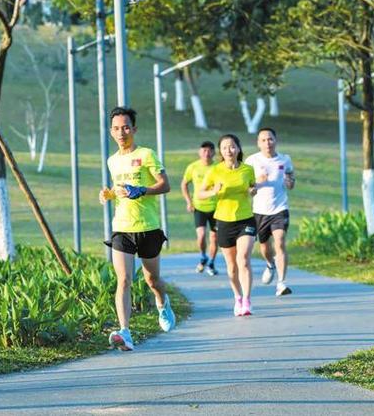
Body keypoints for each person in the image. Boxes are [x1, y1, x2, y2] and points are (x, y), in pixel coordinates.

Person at [99, 107, 176, 351]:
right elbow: (118, 187)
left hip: (148, 226)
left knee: (152, 279)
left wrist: (142, 190)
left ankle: (163, 303)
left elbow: (165, 185)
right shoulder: (112, 160)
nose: (121, 132)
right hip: (121, 227)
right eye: (116, 128)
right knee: (123, 279)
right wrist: (109, 194)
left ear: (134, 129)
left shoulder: (147, 154)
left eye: (125, 127)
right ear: (111, 132)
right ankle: (125, 331)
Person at [199, 134, 257, 316]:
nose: (228, 150)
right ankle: (238, 297)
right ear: (221, 152)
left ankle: (247, 301)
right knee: (232, 267)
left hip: (245, 219)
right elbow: (200, 194)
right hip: (223, 221)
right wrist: (213, 192)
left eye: (232, 147)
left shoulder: (248, 169)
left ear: (238, 149)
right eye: (224, 148)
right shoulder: (215, 171)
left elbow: (251, 186)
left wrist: (252, 190)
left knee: (244, 259)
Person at [245, 127, 295, 296]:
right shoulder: (251, 161)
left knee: (280, 241)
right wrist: (257, 183)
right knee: (264, 247)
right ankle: (269, 264)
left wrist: (289, 181)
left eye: (270, 139)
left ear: (276, 140)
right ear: (258, 143)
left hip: (280, 208)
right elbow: (247, 189)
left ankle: (281, 283)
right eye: (264, 140)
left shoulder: (285, 159)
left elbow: (291, 183)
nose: (268, 143)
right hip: (259, 211)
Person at [181, 141, 219, 276]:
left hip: (216, 207)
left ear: (214, 152)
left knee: (214, 237)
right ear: (199, 152)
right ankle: (203, 256)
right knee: (201, 235)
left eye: (209, 151)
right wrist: (189, 202)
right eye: (204, 151)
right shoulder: (193, 167)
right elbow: (184, 184)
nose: (207, 154)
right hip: (199, 206)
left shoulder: (218, 167)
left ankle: (212, 263)